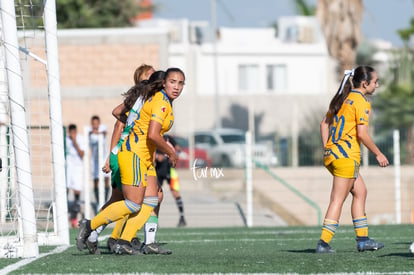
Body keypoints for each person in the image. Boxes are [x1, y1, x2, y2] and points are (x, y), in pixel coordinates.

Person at [77, 67, 185, 256]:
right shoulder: (159, 101)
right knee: (130, 202)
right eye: (172, 82)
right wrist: (171, 152)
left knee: (152, 199)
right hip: (132, 153)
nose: (176, 86)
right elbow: (142, 130)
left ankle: (124, 241)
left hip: (144, 156)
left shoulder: (159, 99)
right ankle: (91, 227)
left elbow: (150, 131)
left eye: (180, 83)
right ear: (163, 82)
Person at [316, 66, 389, 253]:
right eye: (375, 82)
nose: (377, 85)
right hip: (346, 157)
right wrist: (378, 153)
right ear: (365, 84)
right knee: (337, 200)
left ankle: (363, 240)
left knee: (360, 192)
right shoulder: (361, 101)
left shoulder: (342, 98)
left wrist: (328, 149)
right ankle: (323, 244)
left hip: (334, 157)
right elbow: (362, 134)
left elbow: (324, 124)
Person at [84, 64, 157, 254]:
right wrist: (110, 157)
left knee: (122, 200)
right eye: (149, 75)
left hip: (132, 155)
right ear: (141, 80)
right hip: (126, 154)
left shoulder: (149, 100)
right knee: (129, 201)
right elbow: (118, 125)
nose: (155, 77)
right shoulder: (138, 100)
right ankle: (98, 232)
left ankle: (103, 235)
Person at [154, 134, 186, 227]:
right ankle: (154, 220)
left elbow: (178, 149)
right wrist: (157, 156)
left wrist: (174, 153)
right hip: (158, 170)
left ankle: (182, 217)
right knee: (156, 196)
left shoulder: (168, 138)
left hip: (170, 170)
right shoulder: (153, 135)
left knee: (175, 193)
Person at [65, 124, 85, 228]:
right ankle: (64, 214)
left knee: (77, 191)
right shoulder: (65, 140)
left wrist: (74, 142)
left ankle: (74, 216)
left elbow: (82, 154)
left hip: (77, 169)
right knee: (66, 189)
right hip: (68, 168)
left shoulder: (81, 139)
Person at [88, 115, 109, 211]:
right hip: (95, 160)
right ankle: (97, 202)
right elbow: (89, 134)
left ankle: (104, 201)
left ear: (99, 123)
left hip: (104, 158)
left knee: (106, 180)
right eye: (93, 124)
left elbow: (104, 133)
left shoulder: (102, 128)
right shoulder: (89, 133)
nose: (95, 125)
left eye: (96, 123)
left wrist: (96, 132)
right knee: (96, 181)